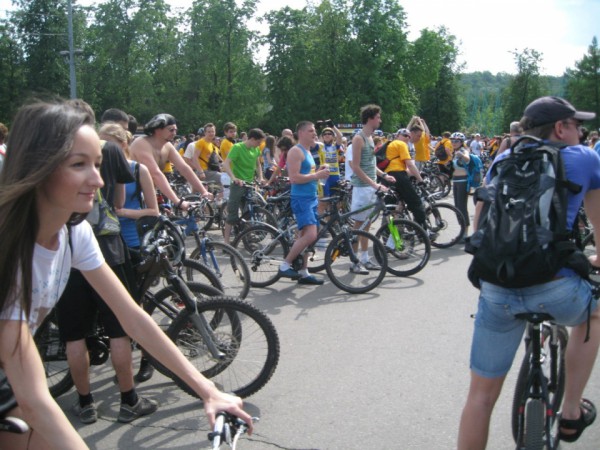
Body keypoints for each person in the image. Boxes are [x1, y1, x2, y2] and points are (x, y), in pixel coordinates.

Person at [0, 100, 252, 450]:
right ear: (38, 167)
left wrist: (208, 390)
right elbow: (34, 399)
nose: (98, 179)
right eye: (79, 165)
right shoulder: (12, 252)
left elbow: (132, 316)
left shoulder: (75, 233)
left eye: (98, 164)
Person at [457, 96, 599, 449]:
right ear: (560, 128)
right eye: (577, 125)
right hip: (557, 287)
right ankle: (569, 411)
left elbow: (481, 227)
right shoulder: (584, 158)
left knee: (480, 398)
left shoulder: (505, 157)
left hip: (498, 288)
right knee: (595, 316)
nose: (581, 132)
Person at [277, 121, 330, 285]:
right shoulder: (295, 151)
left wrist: (319, 170)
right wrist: (317, 176)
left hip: (311, 197)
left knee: (306, 236)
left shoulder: (307, 150)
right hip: (301, 199)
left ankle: (303, 272)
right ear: (300, 133)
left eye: (314, 131)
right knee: (311, 234)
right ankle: (285, 265)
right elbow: (294, 178)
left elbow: (308, 173)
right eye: (311, 131)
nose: (315, 133)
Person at [129, 114, 212, 211]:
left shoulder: (167, 145)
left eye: (175, 130)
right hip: (133, 194)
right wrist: (177, 201)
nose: (174, 133)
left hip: (149, 192)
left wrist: (203, 191)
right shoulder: (142, 143)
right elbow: (156, 174)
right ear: (158, 129)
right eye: (171, 130)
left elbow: (184, 168)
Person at [350, 104, 389, 273]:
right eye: (378, 117)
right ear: (371, 118)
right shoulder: (359, 138)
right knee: (358, 225)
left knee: (366, 225)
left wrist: (384, 176)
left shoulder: (371, 138)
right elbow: (356, 167)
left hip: (371, 186)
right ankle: (354, 261)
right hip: (362, 188)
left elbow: (371, 164)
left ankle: (365, 258)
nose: (380, 120)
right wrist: (374, 184)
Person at [222, 128, 266, 245]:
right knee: (232, 213)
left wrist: (260, 177)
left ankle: (247, 238)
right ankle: (226, 242)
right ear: (252, 139)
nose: (259, 145)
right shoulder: (237, 148)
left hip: (250, 183)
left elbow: (258, 164)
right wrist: (234, 178)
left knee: (249, 210)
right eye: (258, 142)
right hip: (238, 184)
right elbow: (225, 164)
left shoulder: (255, 148)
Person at [385, 129, 428, 232]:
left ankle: (390, 234)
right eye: (405, 135)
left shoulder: (389, 145)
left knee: (391, 208)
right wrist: (420, 179)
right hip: (398, 177)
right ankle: (422, 232)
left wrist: (412, 174)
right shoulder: (401, 144)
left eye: (409, 136)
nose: (407, 138)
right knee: (416, 202)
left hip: (386, 177)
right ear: (398, 135)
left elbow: (397, 165)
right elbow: (410, 164)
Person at [449, 132, 471, 237]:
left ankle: (465, 233)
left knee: (462, 207)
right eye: (452, 141)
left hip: (463, 181)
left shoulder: (463, 150)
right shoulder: (455, 151)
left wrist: (462, 154)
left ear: (462, 142)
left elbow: (467, 159)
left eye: (456, 141)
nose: (453, 143)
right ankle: (462, 231)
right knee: (457, 207)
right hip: (456, 181)